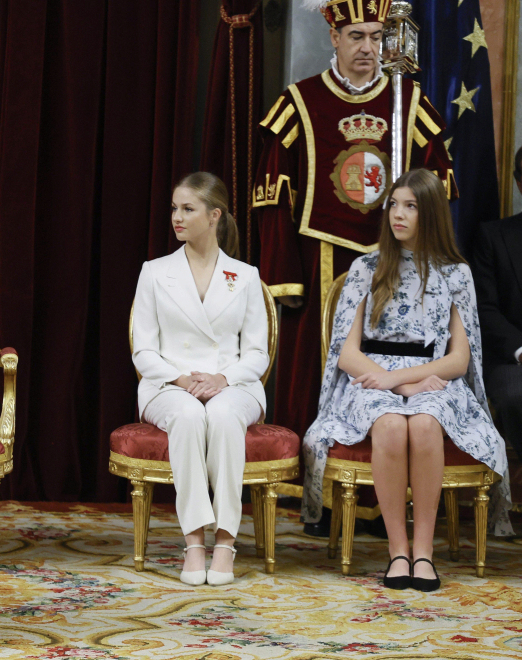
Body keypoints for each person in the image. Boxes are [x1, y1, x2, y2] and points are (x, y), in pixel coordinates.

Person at [253, 1, 456, 535]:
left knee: (398, 376)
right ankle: (321, 501)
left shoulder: (407, 102)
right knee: (325, 374)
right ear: (334, 40)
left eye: (375, 37)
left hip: (399, 264)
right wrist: (284, 276)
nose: (367, 48)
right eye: (356, 36)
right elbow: (271, 196)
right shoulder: (300, 102)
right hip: (321, 260)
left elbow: (439, 184)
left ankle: (384, 501)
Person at [303, 169, 511, 592]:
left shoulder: (456, 273)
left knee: (425, 423)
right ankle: (398, 552)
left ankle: (424, 553)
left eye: (410, 206)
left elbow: (459, 359)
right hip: (371, 377)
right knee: (393, 424)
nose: (397, 214)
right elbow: (346, 352)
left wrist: (411, 381)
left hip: (433, 378)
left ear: (430, 212)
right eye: (394, 204)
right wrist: (397, 384)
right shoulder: (366, 268)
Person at [132, 172, 269, 586]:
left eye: (187, 209)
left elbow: (258, 354)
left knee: (225, 417)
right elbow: (143, 350)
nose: (176, 216)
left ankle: (225, 541)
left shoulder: (245, 276)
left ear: (214, 216)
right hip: (167, 386)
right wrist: (181, 380)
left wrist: (223, 378)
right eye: (174, 208)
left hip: (235, 386)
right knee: (190, 417)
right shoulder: (154, 272)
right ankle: (193, 541)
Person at [474, 145, 522, 464]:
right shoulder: (492, 236)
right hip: (511, 360)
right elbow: (485, 309)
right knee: (516, 395)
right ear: (519, 182)